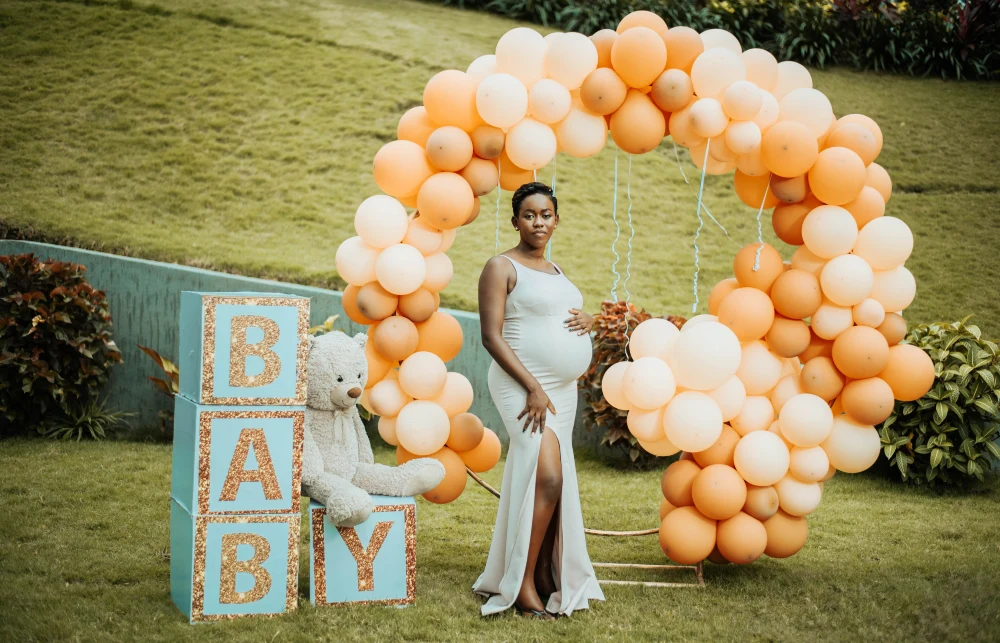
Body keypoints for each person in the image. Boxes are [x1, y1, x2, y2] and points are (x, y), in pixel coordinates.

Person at [472, 182, 605, 620]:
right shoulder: (501, 266)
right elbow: (491, 336)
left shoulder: (557, 270)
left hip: (558, 392)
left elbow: (558, 316)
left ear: (556, 219)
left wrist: (588, 320)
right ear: (515, 221)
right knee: (546, 478)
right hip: (523, 387)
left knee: (552, 481)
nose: (538, 222)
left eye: (546, 214)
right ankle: (522, 585)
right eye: (529, 215)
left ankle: (546, 574)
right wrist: (531, 385)